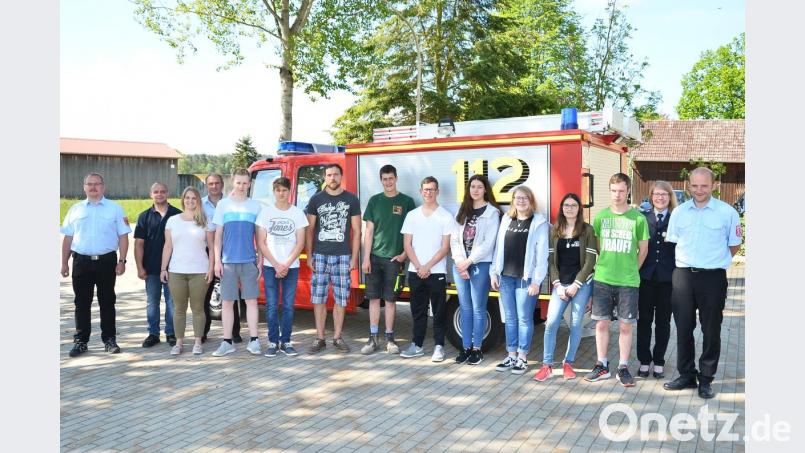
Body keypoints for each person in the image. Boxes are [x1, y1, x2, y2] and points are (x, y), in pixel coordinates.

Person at [663, 167, 741, 399]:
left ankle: (706, 378)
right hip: (683, 276)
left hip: (712, 278)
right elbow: (673, 242)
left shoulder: (727, 213)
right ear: (688, 185)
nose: (699, 190)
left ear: (714, 185)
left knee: (711, 328)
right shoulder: (679, 212)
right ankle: (687, 374)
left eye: (704, 186)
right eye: (694, 185)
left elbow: (734, 244)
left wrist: (718, 261)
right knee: (684, 327)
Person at [584, 173, 649, 387]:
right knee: (601, 324)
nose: (617, 195)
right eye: (614, 191)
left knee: (625, 326)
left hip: (628, 281)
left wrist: (632, 270)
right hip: (603, 278)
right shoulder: (601, 217)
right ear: (609, 191)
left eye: (621, 190)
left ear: (628, 191)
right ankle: (601, 365)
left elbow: (643, 250)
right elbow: (600, 247)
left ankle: (622, 367)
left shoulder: (638, 219)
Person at [61, 172, 131, 357]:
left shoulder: (115, 208)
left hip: (106, 262)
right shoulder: (75, 210)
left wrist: (122, 260)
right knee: (81, 303)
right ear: (84, 187)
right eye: (89, 184)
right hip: (81, 262)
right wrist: (64, 263)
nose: (93, 187)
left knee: (107, 302)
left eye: (97, 184)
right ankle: (81, 341)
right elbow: (68, 238)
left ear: (103, 186)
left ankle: (109, 340)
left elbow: (123, 236)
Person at [534, 193, 598, 382]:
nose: (569, 208)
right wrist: (558, 285)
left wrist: (577, 284)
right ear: (562, 208)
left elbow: (590, 260)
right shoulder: (555, 230)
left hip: (582, 284)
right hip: (560, 285)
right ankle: (547, 365)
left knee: (576, 324)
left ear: (579, 209)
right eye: (566, 205)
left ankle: (568, 363)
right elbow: (551, 262)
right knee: (552, 322)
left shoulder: (587, 230)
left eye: (573, 205)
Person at [490, 186, 549, 375]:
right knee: (510, 318)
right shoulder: (507, 219)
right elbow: (498, 248)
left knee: (524, 319)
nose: (521, 201)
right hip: (506, 276)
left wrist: (536, 281)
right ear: (513, 200)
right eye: (517, 197)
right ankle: (511, 355)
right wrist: (494, 272)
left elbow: (542, 255)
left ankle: (523, 357)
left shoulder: (538, 222)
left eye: (525, 198)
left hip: (526, 279)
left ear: (531, 200)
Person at [305, 163, 361, 354]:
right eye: (329, 175)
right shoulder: (316, 200)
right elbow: (310, 229)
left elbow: (357, 230)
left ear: (341, 176)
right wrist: (309, 255)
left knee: (341, 299)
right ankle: (320, 338)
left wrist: (355, 257)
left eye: (336, 174)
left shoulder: (352, 199)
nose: (332, 178)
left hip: (343, 256)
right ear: (325, 177)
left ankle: (337, 337)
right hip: (320, 255)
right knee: (318, 298)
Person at [360, 164, 416, 355]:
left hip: (395, 260)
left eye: (391, 178)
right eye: (384, 179)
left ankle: (390, 339)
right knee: (374, 299)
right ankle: (373, 338)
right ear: (381, 180)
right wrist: (365, 258)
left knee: (391, 301)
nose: (388, 182)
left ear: (396, 178)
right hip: (374, 258)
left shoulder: (407, 202)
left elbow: (412, 232)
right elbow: (368, 231)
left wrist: (404, 255)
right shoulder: (375, 201)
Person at [399, 176, 454, 362]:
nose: (428, 192)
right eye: (425, 189)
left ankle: (439, 347)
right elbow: (407, 245)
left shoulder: (445, 216)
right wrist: (418, 266)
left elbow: (445, 247)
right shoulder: (412, 215)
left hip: (436, 272)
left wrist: (427, 267)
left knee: (439, 312)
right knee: (418, 312)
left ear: (437, 192)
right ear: (421, 191)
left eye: (432, 189)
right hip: (416, 272)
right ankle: (417, 345)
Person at [211, 168, 264, 357]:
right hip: (227, 263)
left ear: (249, 184)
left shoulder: (256, 206)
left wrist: (261, 258)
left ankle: (254, 341)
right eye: (238, 183)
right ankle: (227, 342)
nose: (241, 186)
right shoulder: (223, 205)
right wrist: (217, 261)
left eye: (245, 183)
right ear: (233, 183)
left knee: (251, 301)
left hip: (249, 261)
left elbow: (260, 236)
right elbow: (218, 236)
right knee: (227, 303)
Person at [450, 175, 501, 365]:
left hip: (480, 265)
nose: (476, 190)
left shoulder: (492, 213)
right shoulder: (463, 210)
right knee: (465, 308)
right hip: (461, 266)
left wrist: (469, 261)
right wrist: (460, 262)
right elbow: (455, 240)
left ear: (485, 190)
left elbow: (489, 243)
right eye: (473, 186)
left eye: (480, 187)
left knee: (479, 308)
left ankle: (477, 350)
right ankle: (465, 348)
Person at [255, 177, 308, 357]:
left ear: (289, 191)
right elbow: (261, 242)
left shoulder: (298, 214)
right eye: (278, 190)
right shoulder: (265, 214)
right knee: (271, 306)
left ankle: (286, 341)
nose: (281, 193)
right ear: (274, 192)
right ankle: (272, 342)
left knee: (288, 306)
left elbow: (300, 243)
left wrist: (285, 264)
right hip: (271, 266)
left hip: (291, 267)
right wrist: (276, 264)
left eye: (284, 190)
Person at [160, 187, 214, 355]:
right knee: (179, 309)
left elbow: (212, 248)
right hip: (176, 271)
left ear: (198, 201)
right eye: (187, 198)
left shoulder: (206, 221)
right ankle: (179, 343)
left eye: (194, 198)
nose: (190, 201)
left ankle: (198, 342)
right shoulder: (172, 221)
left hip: (199, 271)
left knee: (198, 308)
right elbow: (168, 246)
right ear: (183, 200)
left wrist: (211, 268)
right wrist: (164, 268)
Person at [636, 181, 677, 379]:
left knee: (663, 322)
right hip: (645, 278)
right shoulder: (642, 218)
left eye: (664, 194)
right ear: (651, 196)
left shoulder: (677, 219)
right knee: (644, 321)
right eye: (656, 194)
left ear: (670, 197)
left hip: (668, 280)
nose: (660, 198)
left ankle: (659, 360)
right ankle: (644, 360)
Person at [135, 182, 182, 348]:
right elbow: (139, 244)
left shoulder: (178, 215)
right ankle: (153, 334)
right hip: (151, 268)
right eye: (156, 192)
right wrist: (140, 267)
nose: (159, 194)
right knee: (152, 302)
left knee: (172, 302)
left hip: (174, 268)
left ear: (167, 193)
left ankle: (171, 333)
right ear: (151, 194)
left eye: (162, 191)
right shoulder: (144, 216)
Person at [200, 173, 241, 344]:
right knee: (204, 294)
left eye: (217, 183)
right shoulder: (200, 204)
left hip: (230, 252)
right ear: (206, 185)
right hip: (206, 252)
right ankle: (202, 331)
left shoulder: (232, 202)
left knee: (232, 294)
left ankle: (234, 332)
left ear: (222, 184)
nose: (214, 186)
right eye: (211, 183)